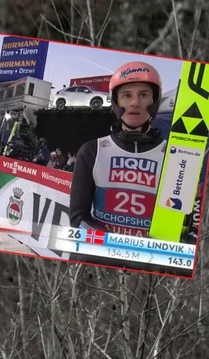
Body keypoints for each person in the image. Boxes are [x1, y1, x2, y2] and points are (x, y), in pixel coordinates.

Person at [69, 61, 167, 238]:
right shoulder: (92, 150)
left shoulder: (172, 155)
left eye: (143, 95)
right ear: (116, 101)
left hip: (151, 260)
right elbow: (77, 218)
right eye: (126, 95)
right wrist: (109, 244)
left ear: (154, 101)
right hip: (103, 260)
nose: (135, 103)